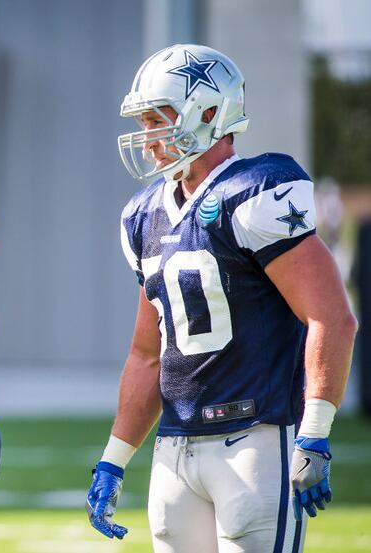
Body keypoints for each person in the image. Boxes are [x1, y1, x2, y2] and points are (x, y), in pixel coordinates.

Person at [85, 44, 357, 552]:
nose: (147, 139)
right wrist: (113, 459)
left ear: (209, 113)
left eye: (157, 119)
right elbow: (148, 355)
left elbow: (332, 318)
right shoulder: (145, 215)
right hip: (175, 446)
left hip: (254, 438)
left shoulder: (257, 192)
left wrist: (314, 432)